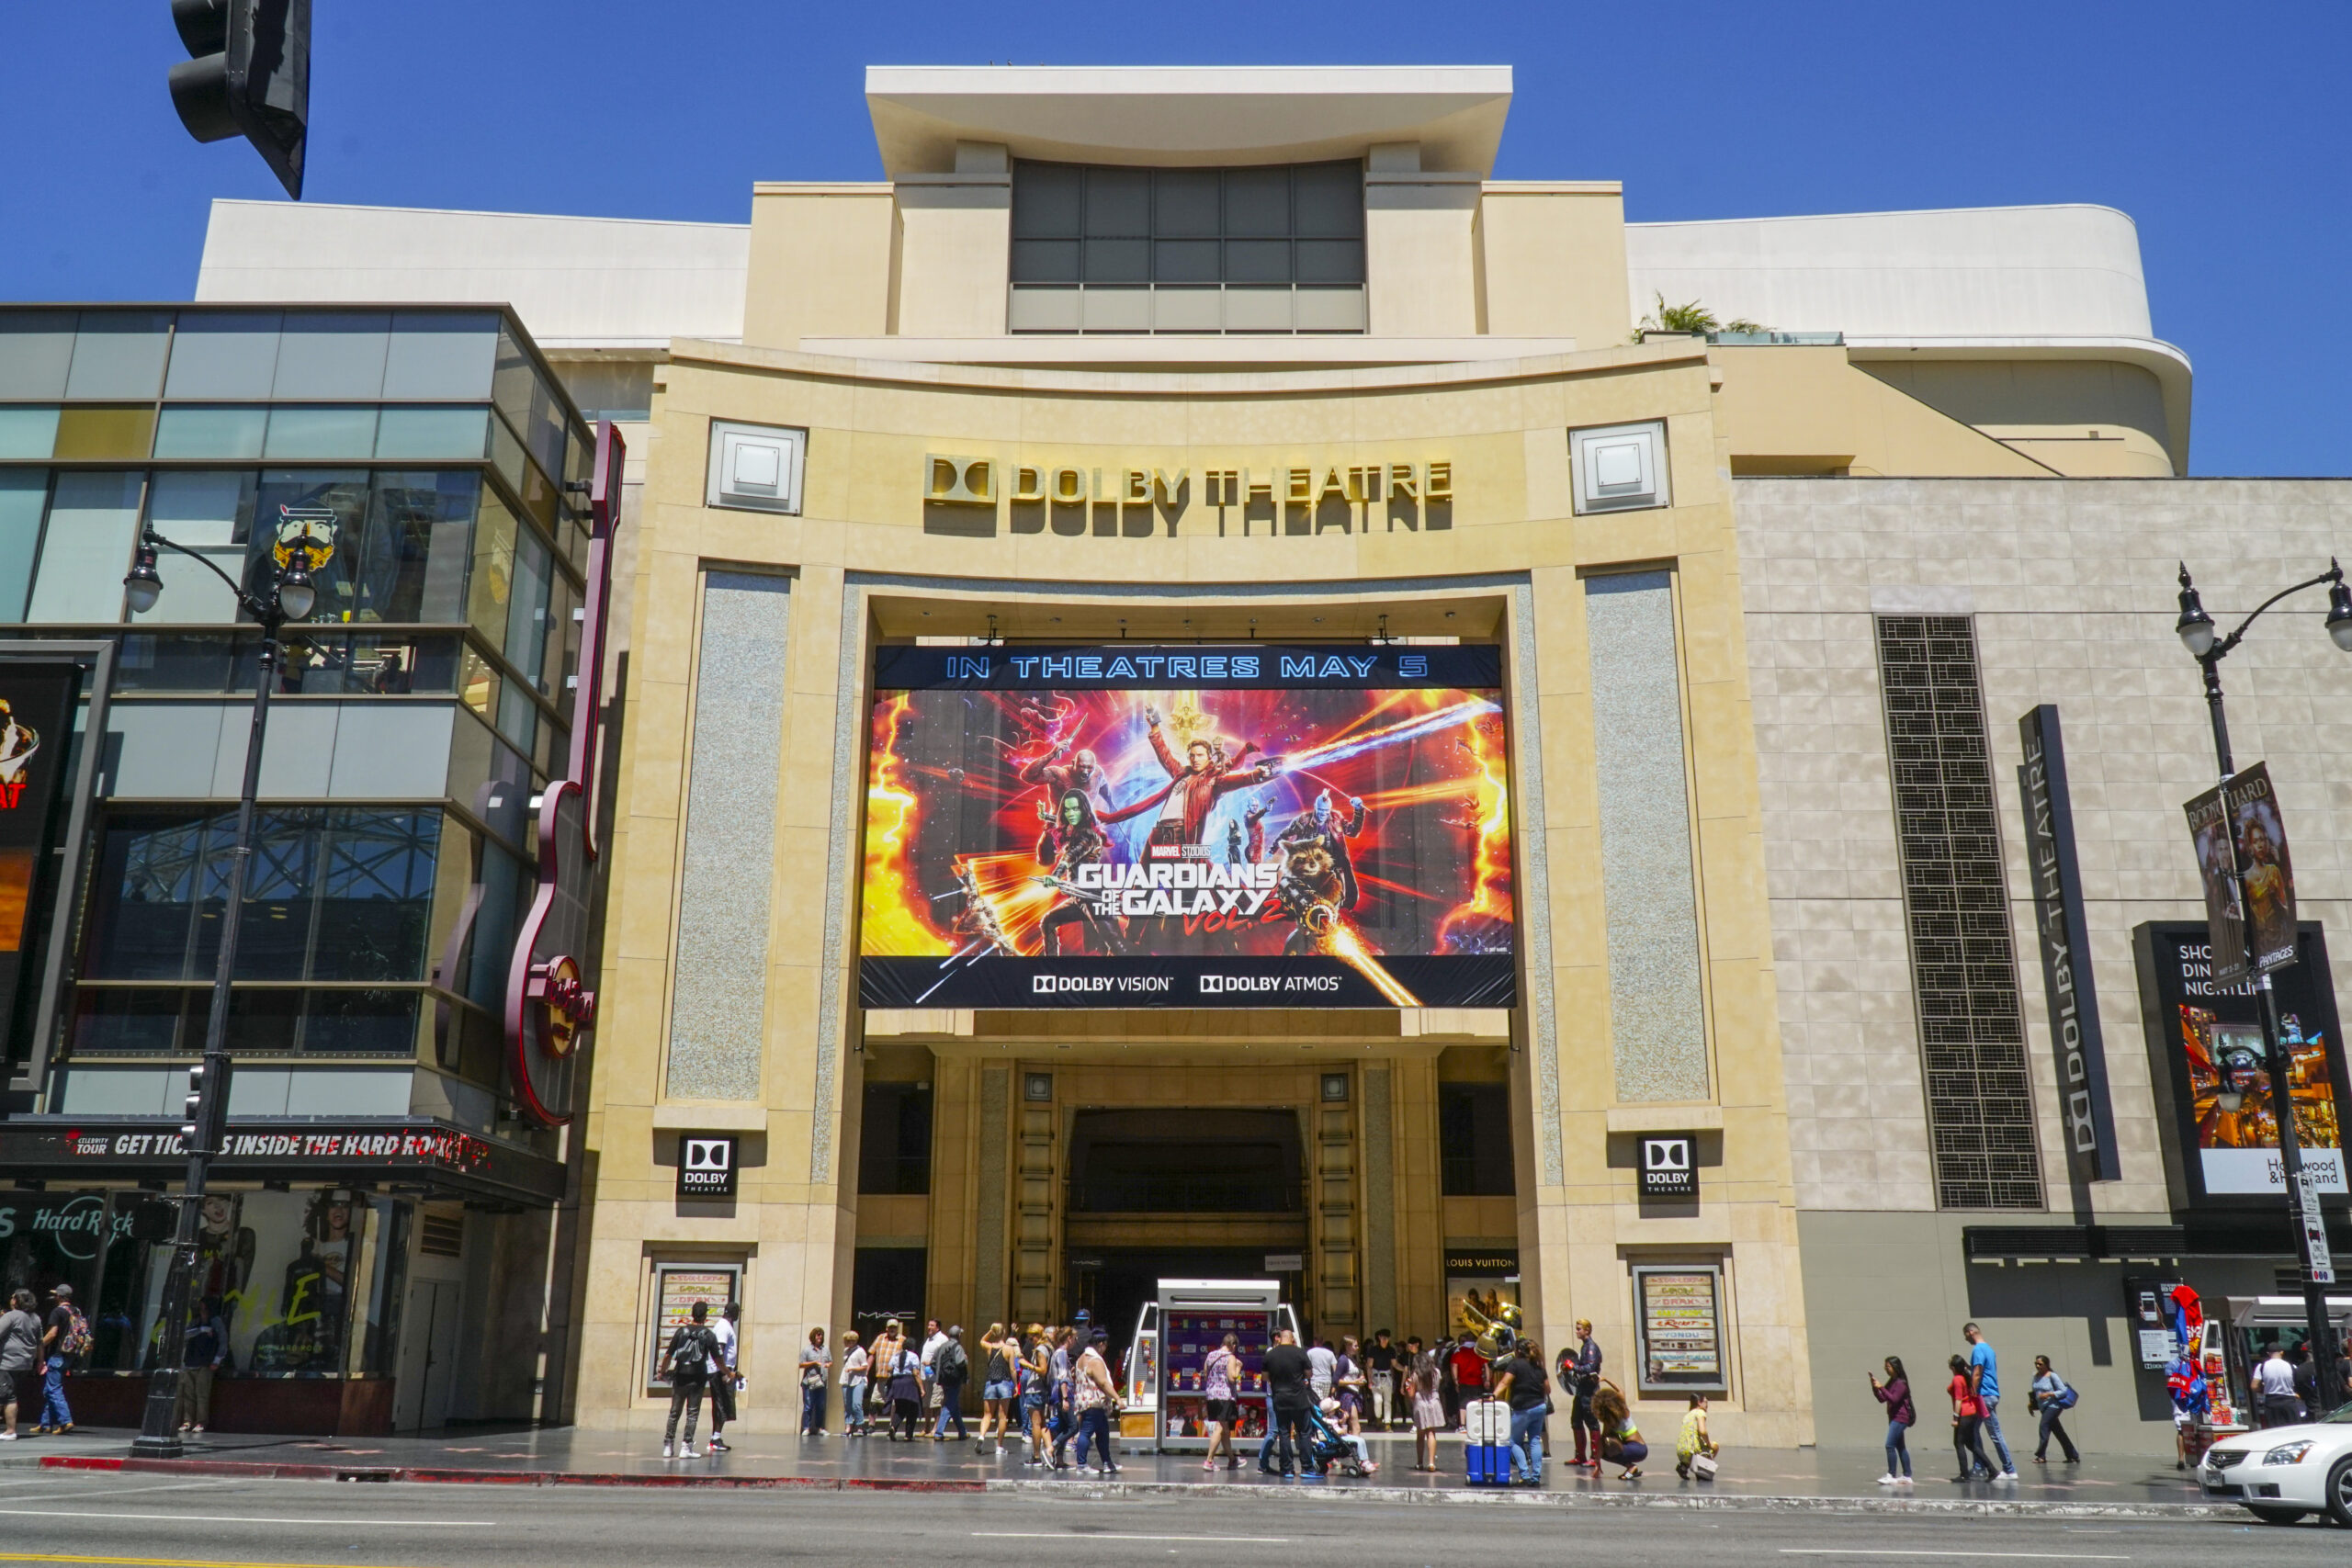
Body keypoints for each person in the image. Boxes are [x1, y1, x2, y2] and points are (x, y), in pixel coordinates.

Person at [657, 1301, 717, 1458]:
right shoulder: (708, 1335)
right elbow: (718, 1359)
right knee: (692, 1413)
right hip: (698, 1378)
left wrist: (662, 1371)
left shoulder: (681, 1332)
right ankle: (686, 1447)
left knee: (674, 1412)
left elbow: (669, 1355)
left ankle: (668, 1445)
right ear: (705, 1315)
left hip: (681, 1376)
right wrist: (728, 1373)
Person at [1962, 1322, 2018, 1480]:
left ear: (1971, 1332)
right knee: (1973, 1431)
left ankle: (2009, 1469)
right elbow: (1980, 1370)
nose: (1966, 1339)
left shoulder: (1978, 1349)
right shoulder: (1989, 1349)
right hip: (1990, 1394)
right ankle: (1979, 1466)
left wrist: (1971, 1394)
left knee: (1995, 1434)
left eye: (1966, 1335)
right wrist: (1967, 1367)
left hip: (1984, 1396)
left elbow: (1978, 1374)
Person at [1491, 1337, 1549, 1486]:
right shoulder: (1539, 1366)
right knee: (1534, 1440)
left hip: (1523, 1408)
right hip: (1539, 1406)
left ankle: (1524, 1474)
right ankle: (1536, 1476)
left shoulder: (1515, 1365)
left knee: (1511, 1440)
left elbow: (1505, 1382)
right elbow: (1548, 1389)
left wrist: (1492, 1397)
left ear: (1517, 1351)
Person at [1261, 1326, 1315, 1477]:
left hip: (1280, 1399)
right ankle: (1307, 1468)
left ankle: (1287, 1469)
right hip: (1299, 1399)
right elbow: (1309, 1373)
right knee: (1304, 1433)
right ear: (1292, 1339)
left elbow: (1264, 1377)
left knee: (1284, 1433)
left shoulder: (1270, 1355)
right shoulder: (1299, 1352)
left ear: (1280, 1338)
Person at [1070, 1328, 1121, 1475]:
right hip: (1094, 1402)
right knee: (1086, 1432)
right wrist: (1117, 1398)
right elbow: (1103, 1382)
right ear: (1100, 1344)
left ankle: (1107, 1462)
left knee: (1103, 1431)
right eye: (1105, 1345)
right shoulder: (1095, 1361)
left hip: (1084, 1400)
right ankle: (1081, 1464)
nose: (1105, 1349)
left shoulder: (1081, 1358)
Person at [177, 1295, 229, 1435]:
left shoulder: (216, 1321)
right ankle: (187, 1421)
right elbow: (184, 1335)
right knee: (188, 1394)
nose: (202, 1310)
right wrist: (200, 1330)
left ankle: (201, 1421)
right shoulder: (195, 1322)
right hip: (190, 1361)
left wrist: (217, 1360)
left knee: (202, 1394)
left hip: (206, 1362)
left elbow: (223, 1341)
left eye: (204, 1307)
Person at [35, 1285, 79, 1436]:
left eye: (56, 1295)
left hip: (58, 1354)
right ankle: (45, 1424)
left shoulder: (57, 1311)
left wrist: (38, 1346)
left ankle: (65, 1421)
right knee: (50, 1389)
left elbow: (53, 1333)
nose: (54, 1297)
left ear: (60, 1297)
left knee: (54, 1389)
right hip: (70, 1354)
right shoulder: (75, 1311)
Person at [1947, 1351, 1995, 1482]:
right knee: (1971, 1445)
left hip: (1964, 1414)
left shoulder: (1957, 1379)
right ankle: (1992, 1469)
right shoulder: (1966, 1377)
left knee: (1958, 1443)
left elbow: (1958, 1400)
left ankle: (1964, 1474)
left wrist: (1955, 1418)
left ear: (1953, 1368)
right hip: (1972, 1413)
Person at [1870, 1356, 1917, 1485]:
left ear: (1895, 1367)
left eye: (1888, 1366)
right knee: (1900, 1446)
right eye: (1885, 1366)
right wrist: (1875, 1387)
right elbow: (1882, 1398)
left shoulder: (1901, 1383)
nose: (1886, 1369)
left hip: (1901, 1418)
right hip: (1893, 1417)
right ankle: (1907, 1475)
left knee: (1889, 1445)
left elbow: (1894, 1399)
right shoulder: (1892, 1381)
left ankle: (1891, 1474)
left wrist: (1881, 1387)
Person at [0, 1289, 39, 1439]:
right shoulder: (35, 1318)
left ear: (16, 1300)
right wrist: (40, 1361)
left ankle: (10, 1431)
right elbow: (40, 1341)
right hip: (25, 1362)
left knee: (8, 1397)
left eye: (12, 1297)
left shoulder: (11, 1316)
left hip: (8, 1362)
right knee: (8, 1394)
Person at [2026, 1355, 2080, 1463]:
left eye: (2040, 1364)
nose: (2037, 1366)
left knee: (2043, 1426)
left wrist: (2049, 1394)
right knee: (2059, 1432)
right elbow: (2035, 1392)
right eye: (2036, 1363)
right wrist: (2031, 1404)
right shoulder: (2036, 1376)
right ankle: (2072, 1455)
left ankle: (2041, 1456)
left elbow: (2063, 1391)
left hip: (2054, 1406)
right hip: (2043, 1407)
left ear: (2046, 1365)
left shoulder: (2052, 1376)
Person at [1201, 1331, 1242, 1472]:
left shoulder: (1210, 1355)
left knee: (1225, 1429)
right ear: (1233, 1345)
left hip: (1211, 1396)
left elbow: (1205, 1375)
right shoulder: (1231, 1357)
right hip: (1225, 1396)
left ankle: (1232, 1459)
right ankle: (1209, 1460)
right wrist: (1239, 1367)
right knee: (1220, 1428)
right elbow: (1232, 1377)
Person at [1566, 1319, 1603, 1471]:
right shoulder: (1584, 1347)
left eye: (1579, 1329)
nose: (1577, 1331)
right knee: (1576, 1421)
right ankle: (1580, 1455)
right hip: (1582, 1390)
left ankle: (1595, 1457)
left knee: (1592, 1422)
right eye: (1576, 1328)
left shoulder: (1591, 1347)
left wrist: (1573, 1366)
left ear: (1587, 1330)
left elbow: (1590, 1367)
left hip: (1589, 1391)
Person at [1592, 1384, 1646, 1479]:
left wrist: (1597, 1461)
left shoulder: (1623, 1412)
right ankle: (1630, 1468)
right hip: (1637, 1450)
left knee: (1606, 1444)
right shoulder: (1615, 1417)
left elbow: (1620, 1391)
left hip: (1637, 1449)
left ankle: (1630, 1466)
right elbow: (1620, 1391)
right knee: (1604, 1450)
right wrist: (1597, 1462)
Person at [977, 1323, 1013, 1454]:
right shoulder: (1009, 1349)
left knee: (987, 1415)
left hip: (990, 1383)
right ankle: (999, 1447)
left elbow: (981, 1340)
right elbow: (1013, 1369)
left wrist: (990, 1332)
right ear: (1004, 1333)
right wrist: (1015, 1384)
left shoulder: (989, 1347)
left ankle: (981, 1436)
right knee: (1002, 1416)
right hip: (1004, 1383)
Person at [1408, 1347, 1446, 1472]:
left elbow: (1412, 1394)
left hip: (1420, 1403)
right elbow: (1437, 1387)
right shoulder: (1437, 1372)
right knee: (1431, 1433)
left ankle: (1419, 1462)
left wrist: (1409, 1390)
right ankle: (1431, 1463)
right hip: (1434, 1401)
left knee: (1420, 1435)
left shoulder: (1415, 1375)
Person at [1023, 1325, 1053, 1466]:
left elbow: (1043, 1370)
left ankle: (1036, 1456)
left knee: (1035, 1423)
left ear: (1038, 1335)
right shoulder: (1048, 1347)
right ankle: (1050, 1451)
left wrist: (1027, 1365)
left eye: (1032, 1337)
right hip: (1042, 1390)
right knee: (1043, 1423)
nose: (1030, 1340)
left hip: (1035, 1389)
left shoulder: (1040, 1350)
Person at [932, 1325, 969, 1440]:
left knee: (954, 1406)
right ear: (959, 1335)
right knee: (949, 1406)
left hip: (943, 1380)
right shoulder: (958, 1347)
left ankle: (962, 1432)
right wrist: (966, 1360)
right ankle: (939, 1432)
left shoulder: (941, 1347)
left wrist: (940, 1373)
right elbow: (960, 1362)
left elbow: (933, 1362)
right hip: (954, 1380)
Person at [887, 1333, 925, 1441]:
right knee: (912, 1408)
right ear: (913, 1346)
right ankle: (908, 1434)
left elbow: (889, 1369)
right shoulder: (914, 1356)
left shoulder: (895, 1356)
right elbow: (915, 1373)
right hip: (908, 1383)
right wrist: (921, 1388)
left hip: (896, 1383)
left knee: (900, 1407)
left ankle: (893, 1426)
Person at [2254, 1343, 2301, 1428]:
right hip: (2289, 1402)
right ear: (2282, 1352)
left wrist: (2265, 1389)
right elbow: (2298, 1384)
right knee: (2293, 1430)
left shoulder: (2262, 1366)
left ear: (2268, 1353)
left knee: (2274, 1430)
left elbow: (2254, 1386)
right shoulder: (2292, 1366)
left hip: (2271, 1402)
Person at [1675, 1394, 1720, 1480]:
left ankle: (1684, 1466)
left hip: (1681, 1452)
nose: (1707, 1405)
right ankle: (1702, 1468)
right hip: (1693, 1451)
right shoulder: (1700, 1412)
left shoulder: (1687, 1415)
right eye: (1706, 1402)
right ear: (1699, 1403)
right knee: (1715, 1446)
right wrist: (1709, 1444)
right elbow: (1702, 1431)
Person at [797, 1325, 830, 1438]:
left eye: (821, 1335)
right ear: (813, 1336)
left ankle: (820, 1427)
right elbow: (801, 1364)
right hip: (809, 1381)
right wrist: (814, 1363)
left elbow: (830, 1361)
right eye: (817, 1335)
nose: (819, 1337)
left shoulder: (825, 1349)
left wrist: (827, 1365)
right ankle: (806, 1427)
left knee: (820, 1405)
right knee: (808, 1405)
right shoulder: (807, 1350)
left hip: (821, 1381)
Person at [1364, 1330, 1397, 1430]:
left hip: (1387, 1376)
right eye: (1383, 1338)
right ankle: (1378, 1418)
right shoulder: (1373, 1350)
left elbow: (1394, 1364)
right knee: (1378, 1400)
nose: (1385, 1340)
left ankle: (1387, 1423)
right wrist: (1369, 1380)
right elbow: (1369, 1366)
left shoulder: (1391, 1350)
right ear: (1379, 1338)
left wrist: (1404, 1368)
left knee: (1388, 1401)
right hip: (1376, 1376)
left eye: (1387, 1338)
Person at [840, 1330, 870, 1437]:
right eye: (846, 1341)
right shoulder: (846, 1351)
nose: (848, 1343)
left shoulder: (860, 1351)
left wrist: (853, 1368)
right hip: (846, 1379)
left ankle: (860, 1426)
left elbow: (865, 1366)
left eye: (850, 1341)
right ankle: (848, 1427)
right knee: (847, 1404)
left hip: (858, 1379)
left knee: (856, 1404)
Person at [1335, 1336, 1365, 1434]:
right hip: (1347, 1394)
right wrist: (1353, 1382)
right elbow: (1336, 1380)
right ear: (1347, 1346)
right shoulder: (1343, 1360)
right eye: (1355, 1346)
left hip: (1354, 1393)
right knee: (1355, 1425)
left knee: (1352, 1426)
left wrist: (1360, 1379)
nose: (1357, 1348)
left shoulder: (1352, 1359)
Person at [1306, 1336, 1338, 1404]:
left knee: (1318, 1403)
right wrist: (1335, 1385)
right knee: (1325, 1403)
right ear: (1323, 1342)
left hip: (1315, 1380)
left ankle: (1321, 1415)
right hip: (1327, 1381)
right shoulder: (1330, 1353)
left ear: (1314, 1342)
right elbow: (1335, 1370)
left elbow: (1307, 1367)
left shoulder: (1310, 1352)